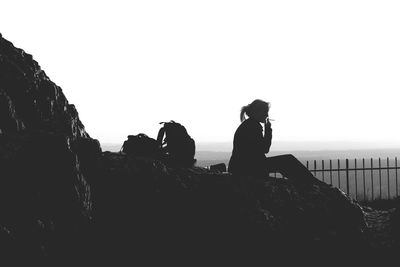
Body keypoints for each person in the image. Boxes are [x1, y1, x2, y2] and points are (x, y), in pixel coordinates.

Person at [228, 99, 324, 193]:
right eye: (265, 112)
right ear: (257, 112)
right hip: (248, 167)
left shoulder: (249, 124)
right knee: (287, 160)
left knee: (286, 161)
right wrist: (268, 130)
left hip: (242, 166)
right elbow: (265, 149)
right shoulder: (253, 126)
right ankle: (311, 182)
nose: (267, 115)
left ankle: (306, 181)